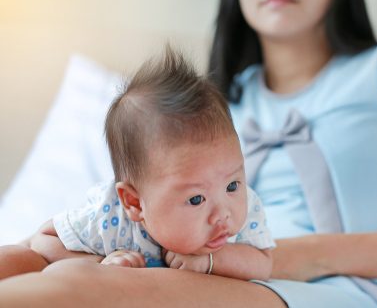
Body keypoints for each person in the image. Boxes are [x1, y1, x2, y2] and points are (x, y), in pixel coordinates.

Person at [0, 0, 377, 307]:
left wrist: (296, 256)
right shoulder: (213, 105)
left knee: (91, 291)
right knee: (28, 257)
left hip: (341, 289)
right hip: (214, 271)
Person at [1, 46, 275, 282]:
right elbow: (44, 240)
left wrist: (212, 262)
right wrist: (100, 264)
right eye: (195, 199)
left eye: (232, 184)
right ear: (134, 203)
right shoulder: (112, 221)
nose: (222, 214)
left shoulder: (243, 209)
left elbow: (263, 263)